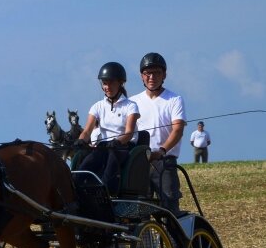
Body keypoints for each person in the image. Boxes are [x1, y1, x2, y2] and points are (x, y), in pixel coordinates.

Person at [131, 52, 187, 214]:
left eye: (156, 73)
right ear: (142, 76)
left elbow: (178, 130)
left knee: (169, 209)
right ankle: (147, 240)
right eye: (147, 73)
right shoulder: (133, 101)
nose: (151, 77)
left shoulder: (174, 99)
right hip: (140, 162)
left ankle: (174, 238)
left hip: (164, 161)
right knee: (139, 211)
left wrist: (161, 151)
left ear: (164, 75)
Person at [75, 62, 140, 195]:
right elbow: (87, 130)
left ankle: (106, 192)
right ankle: (77, 191)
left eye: (111, 83)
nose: (107, 87)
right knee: (86, 163)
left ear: (120, 83)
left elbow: (129, 133)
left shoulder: (131, 106)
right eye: (104, 83)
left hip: (123, 146)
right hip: (104, 146)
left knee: (112, 157)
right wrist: (81, 140)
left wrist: (117, 141)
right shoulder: (97, 106)